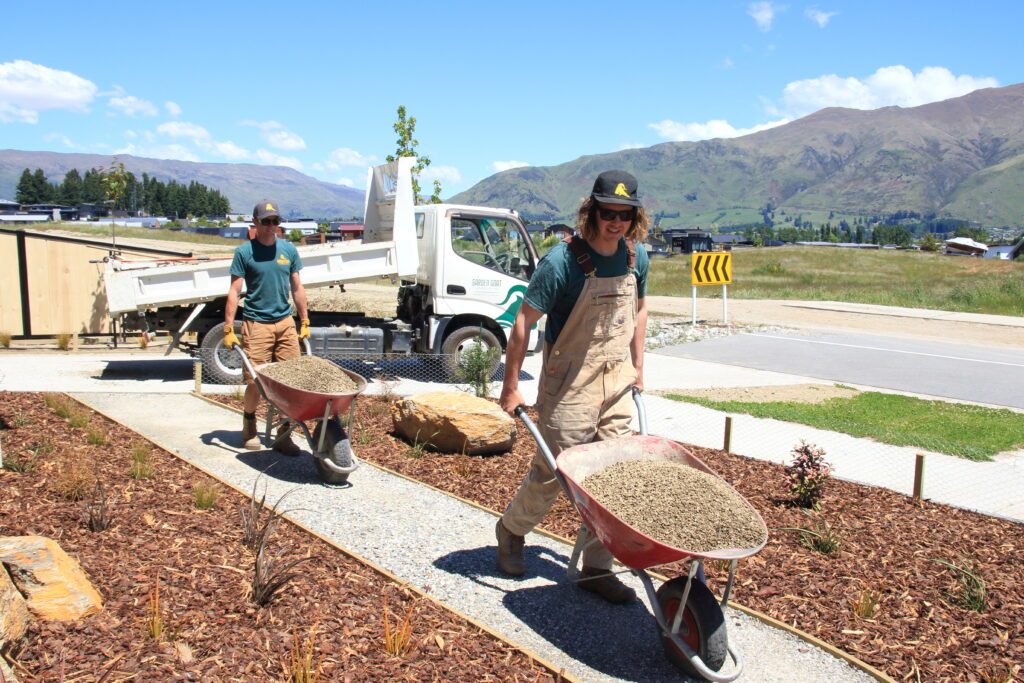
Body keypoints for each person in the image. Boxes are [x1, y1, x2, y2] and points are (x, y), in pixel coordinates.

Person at [496, 170, 649, 604]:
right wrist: (511, 387)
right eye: (607, 213)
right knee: (554, 474)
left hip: (616, 382)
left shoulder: (637, 257)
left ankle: (596, 568)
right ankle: (511, 530)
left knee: (613, 477)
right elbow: (523, 322)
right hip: (569, 387)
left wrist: (639, 365)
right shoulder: (562, 262)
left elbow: (639, 309)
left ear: (635, 217)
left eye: (624, 214)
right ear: (591, 212)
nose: (615, 222)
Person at [223, 199, 310, 454]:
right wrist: (229, 327)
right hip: (256, 323)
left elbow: (297, 287)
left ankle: (284, 434)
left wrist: (304, 319)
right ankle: (249, 425)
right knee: (256, 381)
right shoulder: (244, 253)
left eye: (276, 221)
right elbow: (234, 290)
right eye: (266, 221)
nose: (272, 226)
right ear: (255, 222)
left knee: (290, 381)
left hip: (284, 322)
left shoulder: (288, 250)